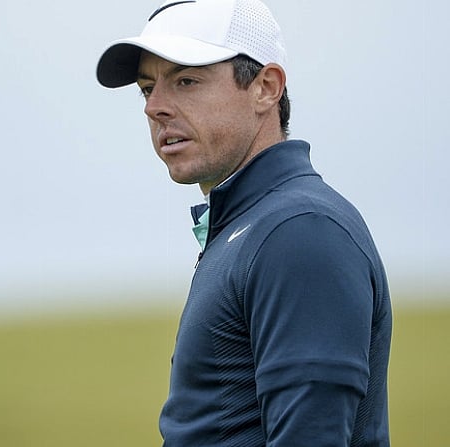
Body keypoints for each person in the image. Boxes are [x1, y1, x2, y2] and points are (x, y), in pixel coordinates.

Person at [96, 0, 392, 445]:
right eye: (146, 88)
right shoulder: (254, 225)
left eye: (186, 80)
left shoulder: (299, 230)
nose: (153, 107)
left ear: (266, 88)